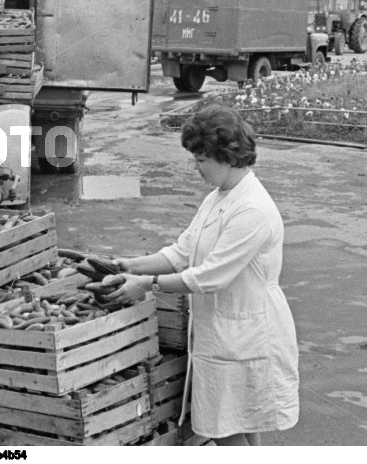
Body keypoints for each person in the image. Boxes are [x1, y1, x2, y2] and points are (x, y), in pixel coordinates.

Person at [107, 105, 299, 446]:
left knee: (225, 429)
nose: (196, 169)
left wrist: (146, 286)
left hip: (246, 330)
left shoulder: (252, 208)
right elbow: (183, 251)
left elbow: (209, 278)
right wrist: (132, 265)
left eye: (201, 160)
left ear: (226, 156)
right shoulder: (219, 197)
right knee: (238, 420)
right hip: (225, 329)